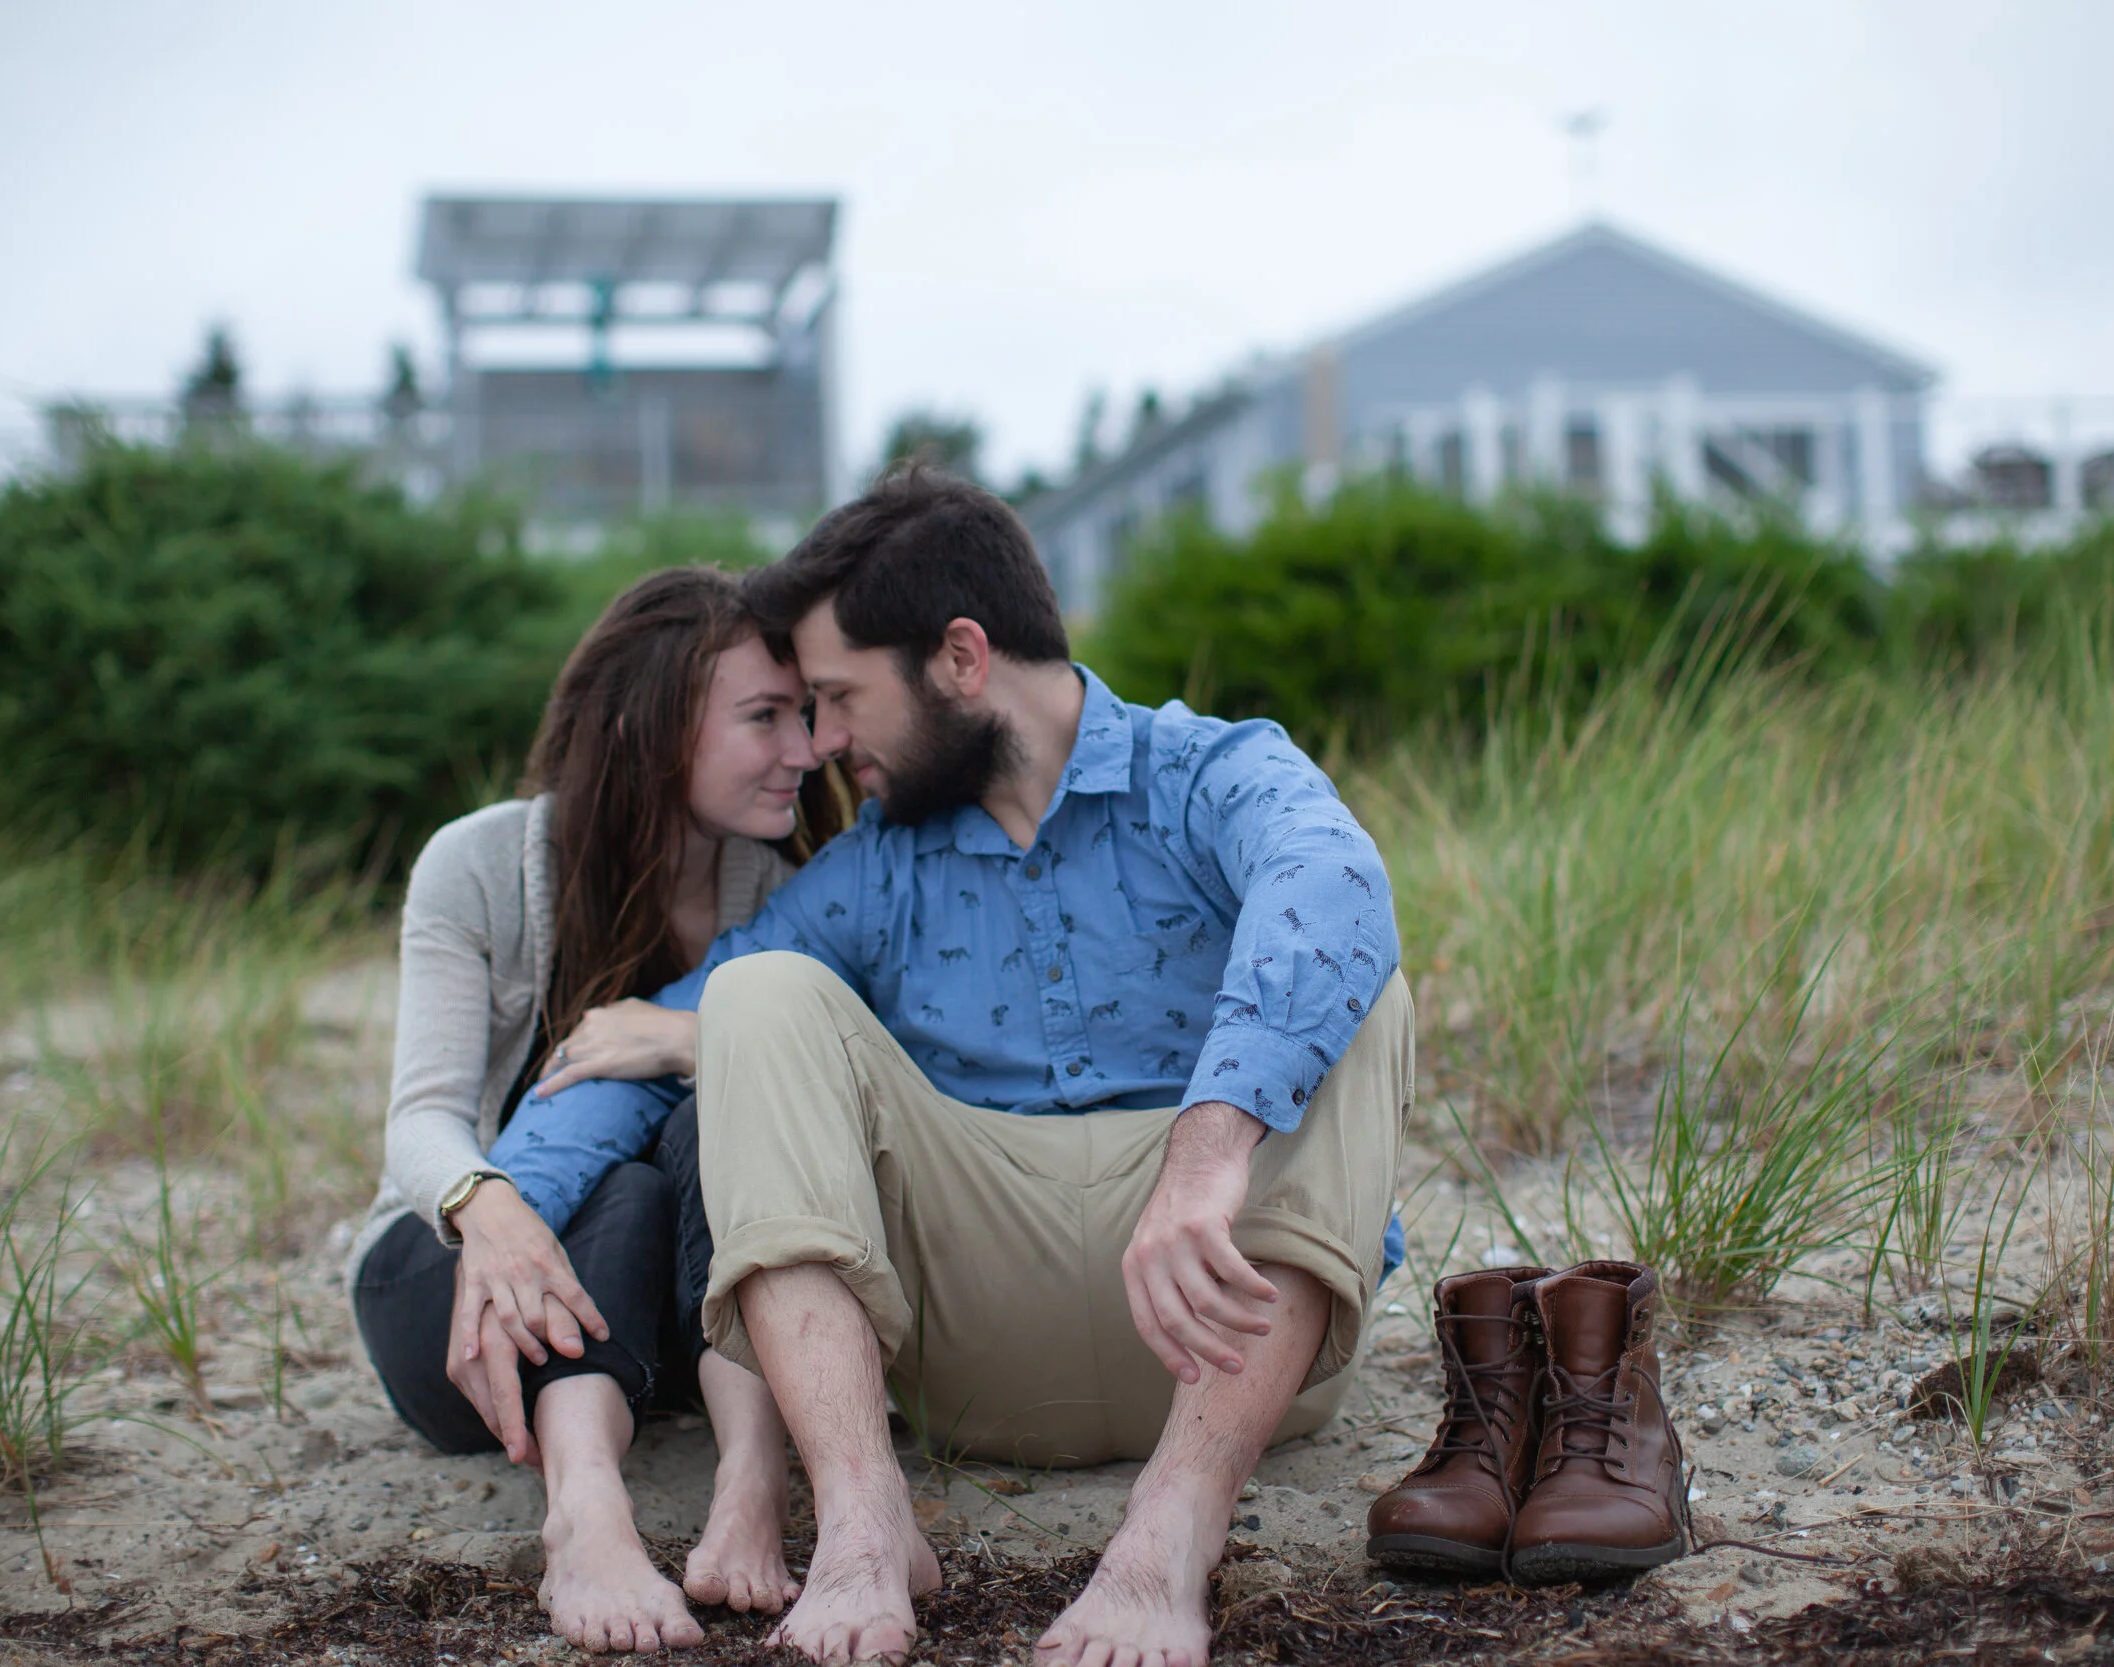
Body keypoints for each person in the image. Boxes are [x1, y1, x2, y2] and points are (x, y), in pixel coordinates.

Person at [499, 469, 1412, 1667]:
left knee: (1361, 982)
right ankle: (865, 1524)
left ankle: (1168, 1536)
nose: (821, 743)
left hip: (1227, 1327)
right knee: (753, 994)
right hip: (976, 1341)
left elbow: (1332, 881)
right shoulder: (878, 869)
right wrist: (497, 1208)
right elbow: (642, 1038)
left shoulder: (1208, 774)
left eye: (836, 697)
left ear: (962, 658)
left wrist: (1205, 1154)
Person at [345, 567, 850, 1654]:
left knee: (723, 1119)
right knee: (615, 1184)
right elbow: (420, 1115)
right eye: (764, 716)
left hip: (670, 1321)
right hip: (454, 1292)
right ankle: (587, 1513)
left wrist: (696, 1038)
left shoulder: (780, 888)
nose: (803, 751)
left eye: (805, 715)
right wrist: (487, 1206)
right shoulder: (478, 863)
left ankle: (752, 1478)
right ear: (648, 724)